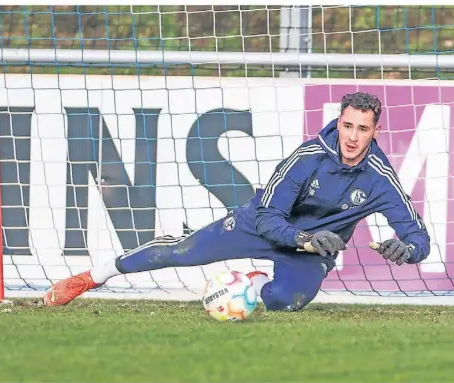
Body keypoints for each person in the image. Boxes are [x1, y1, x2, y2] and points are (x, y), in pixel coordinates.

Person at [44, 92, 430, 311]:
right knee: (180, 252)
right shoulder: (308, 156)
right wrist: (303, 238)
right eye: (348, 125)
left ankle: (254, 282)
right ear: (339, 121)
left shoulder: (381, 179)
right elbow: (267, 216)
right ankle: (91, 277)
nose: (352, 136)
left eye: (363, 129)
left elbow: (418, 239)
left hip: (309, 253)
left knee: (287, 303)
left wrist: (405, 249)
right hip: (263, 227)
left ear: (375, 131)